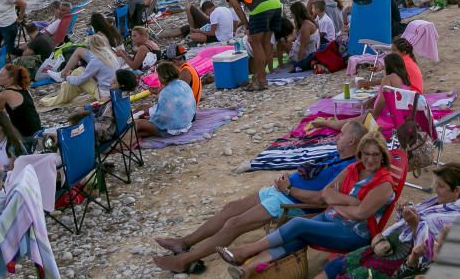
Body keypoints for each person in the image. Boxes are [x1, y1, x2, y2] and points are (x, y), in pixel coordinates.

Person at [153, 121, 368, 273]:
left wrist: (288, 189)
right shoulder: (338, 153)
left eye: (343, 134)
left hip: (291, 201)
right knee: (230, 208)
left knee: (234, 223)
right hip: (283, 191)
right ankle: (184, 242)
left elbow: (321, 200)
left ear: (352, 141)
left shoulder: (347, 168)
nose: (337, 136)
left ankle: (184, 261)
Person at [218, 133, 397, 269]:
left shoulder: (383, 185)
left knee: (298, 225)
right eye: (366, 154)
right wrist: (349, 201)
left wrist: (336, 204)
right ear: (360, 153)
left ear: (383, 155)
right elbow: (326, 193)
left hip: (354, 234)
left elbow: (360, 214)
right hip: (333, 218)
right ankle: (249, 270)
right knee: (298, 236)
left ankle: (246, 251)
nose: (370, 159)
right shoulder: (354, 168)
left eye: (375, 154)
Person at [317, 163, 460, 279]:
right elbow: (419, 219)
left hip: (403, 260)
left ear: (457, 190)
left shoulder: (456, 220)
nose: (435, 189)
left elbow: (431, 255)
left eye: (441, 186)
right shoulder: (442, 203)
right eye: (436, 184)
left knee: (356, 273)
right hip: (392, 245)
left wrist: (414, 225)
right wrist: (405, 211)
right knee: (341, 264)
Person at [217, 0, 283, 91]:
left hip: (261, 7)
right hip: (276, 3)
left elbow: (235, 6)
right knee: (266, 43)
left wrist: (246, 24)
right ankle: (265, 74)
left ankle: (262, 81)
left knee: (255, 42)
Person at [43, 33, 120, 105]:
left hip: (104, 94)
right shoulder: (110, 53)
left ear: (91, 46)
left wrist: (67, 78)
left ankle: (59, 97)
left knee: (77, 72)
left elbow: (79, 81)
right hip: (114, 90)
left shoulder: (97, 61)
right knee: (79, 72)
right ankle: (64, 88)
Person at [136, 62, 197, 138]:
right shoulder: (182, 83)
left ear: (163, 77)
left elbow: (162, 118)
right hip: (186, 122)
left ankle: (122, 130)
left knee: (139, 123)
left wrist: (151, 119)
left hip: (173, 129)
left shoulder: (165, 92)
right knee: (144, 110)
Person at [0, 65, 42, 139]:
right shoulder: (24, 89)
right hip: (38, 130)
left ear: (11, 79)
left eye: (1, 76)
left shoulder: (5, 94)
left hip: (25, 136)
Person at [288, 1, 320, 72]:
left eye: (292, 13)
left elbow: (303, 47)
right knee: (283, 42)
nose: (291, 16)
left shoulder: (306, 26)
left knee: (282, 43)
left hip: (307, 57)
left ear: (296, 14)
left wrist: (299, 65)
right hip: (307, 53)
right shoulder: (305, 23)